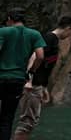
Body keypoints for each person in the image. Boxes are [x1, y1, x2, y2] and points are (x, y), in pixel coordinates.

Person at [11, 16, 71, 140]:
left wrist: (44, 87)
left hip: (38, 84)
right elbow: (35, 56)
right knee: (27, 122)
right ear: (68, 28)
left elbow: (45, 66)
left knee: (31, 121)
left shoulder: (53, 40)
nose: (70, 35)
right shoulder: (49, 38)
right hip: (32, 85)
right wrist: (29, 80)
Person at [0, 10, 44, 140]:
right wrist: (31, 70)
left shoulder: (3, 31)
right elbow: (40, 56)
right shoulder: (34, 34)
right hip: (17, 79)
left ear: (9, 19)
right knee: (7, 118)